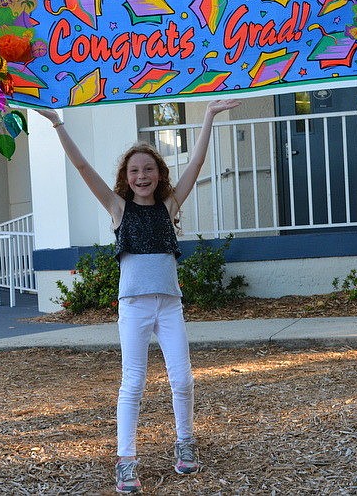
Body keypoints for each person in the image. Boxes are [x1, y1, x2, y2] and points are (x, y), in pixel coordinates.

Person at [37, 99, 240, 494]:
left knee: (182, 379)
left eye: (148, 169)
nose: (142, 175)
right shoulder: (118, 208)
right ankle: (126, 461)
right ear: (126, 177)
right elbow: (82, 168)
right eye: (134, 170)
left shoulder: (169, 206)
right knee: (133, 383)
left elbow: (196, 165)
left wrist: (210, 116)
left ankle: (185, 445)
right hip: (133, 307)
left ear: (160, 174)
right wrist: (59, 125)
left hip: (169, 306)